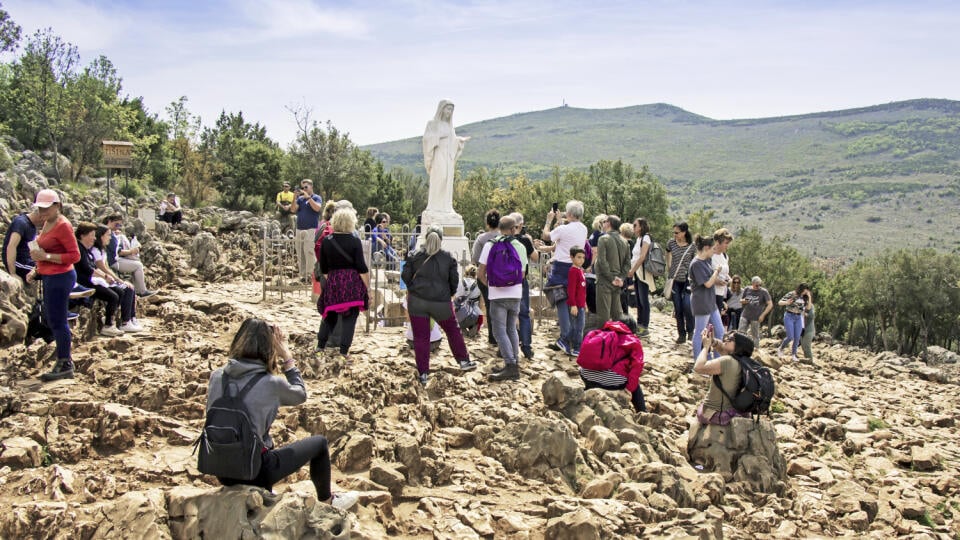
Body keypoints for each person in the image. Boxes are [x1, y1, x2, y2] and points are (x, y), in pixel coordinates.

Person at [205, 318, 359, 511]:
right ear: (269, 348)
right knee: (319, 443)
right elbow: (300, 394)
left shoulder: (217, 376)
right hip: (254, 471)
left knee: (262, 440)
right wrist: (286, 355)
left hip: (220, 467)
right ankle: (328, 501)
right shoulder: (271, 383)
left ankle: (262, 494)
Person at [402, 225, 476, 385]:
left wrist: (414, 289)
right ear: (441, 240)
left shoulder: (414, 255)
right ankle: (463, 361)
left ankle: (423, 373)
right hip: (441, 303)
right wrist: (447, 294)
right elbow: (454, 282)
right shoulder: (448, 258)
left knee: (421, 337)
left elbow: (406, 276)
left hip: (418, 302)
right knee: (452, 330)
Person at [25, 190, 81, 381]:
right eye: (40, 208)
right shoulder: (48, 222)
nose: (42, 211)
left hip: (61, 277)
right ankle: (64, 360)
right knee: (53, 319)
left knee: (57, 320)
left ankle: (65, 362)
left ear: (57, 206)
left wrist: (46, 257)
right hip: (50, 276)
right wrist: (37, 269)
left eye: (46, 208)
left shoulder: (63, 225)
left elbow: (75, 256)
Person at [315, 208, 369, 362]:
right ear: (351, 222)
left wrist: (333, 280)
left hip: (333, 280)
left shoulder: (327, 241)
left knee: (329, 314)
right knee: (350, 318)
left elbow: (324, 267)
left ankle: (320, 347)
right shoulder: (354, 241)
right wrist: (367, 288)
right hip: (352, 283)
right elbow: (361, 267)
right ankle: (344, 352)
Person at [479, 215, 528, 381]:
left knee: (499, 331)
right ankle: (514, 361)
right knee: (511, 328)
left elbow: (480, 273)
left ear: (499, 228)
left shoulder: (490, 245)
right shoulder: (519, 246)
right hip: (515, 294)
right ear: (514, 229)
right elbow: (522, 274)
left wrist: (491, 286)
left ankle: (511, 366)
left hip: (497, 294)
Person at [537, 200, 588, 355]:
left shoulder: (564, 229)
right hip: (576, 268)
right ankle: (574, 342)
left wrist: (549, 220)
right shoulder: (584, 229)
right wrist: (561, 221)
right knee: (574, 302)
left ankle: (564, 338)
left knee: (561, 302)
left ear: (570, 214)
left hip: (561, 268)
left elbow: (546, 236)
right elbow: (566, 239)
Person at [74, 222, 141, 336]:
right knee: (113, 296)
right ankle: (109, 324)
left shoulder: (86, 249)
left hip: (93, 279)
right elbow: (88, 269)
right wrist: (105, 276)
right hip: (86, 282)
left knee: (120, 291)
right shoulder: (81, 250)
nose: (94, 238)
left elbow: (93, 267)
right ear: (82, 235)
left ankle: (114, 320)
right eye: (91, 235)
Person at [693, 328, 754, 425]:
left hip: (717, 414)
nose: (726, 339)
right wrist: (712, 341)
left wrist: (706, 347)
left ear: (738, 345)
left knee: (700, 412)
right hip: (738, 411)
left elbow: (698, 367)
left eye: (730, 339)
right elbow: (722, 348)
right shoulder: (745, 361)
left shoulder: (727, 361)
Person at [423, 100, 470, 213]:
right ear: (442, 109)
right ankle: (434, 207)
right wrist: (439, 136)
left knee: (448, 180)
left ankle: (446, 207)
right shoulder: (432, 124)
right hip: (438, 155)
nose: (449, 112)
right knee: (440, 178)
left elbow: (452, 141)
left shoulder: (450, 127)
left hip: (448, 156)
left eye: (451, 110)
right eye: (448, 109)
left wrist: (459, 141)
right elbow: (426, 139)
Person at [102, 215, 156, 297]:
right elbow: (119, 252)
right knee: (138, 265)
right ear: (109, 221)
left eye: (120, 225)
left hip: (113, 259)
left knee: (136, 262)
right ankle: (142, 291)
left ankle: (139, 289)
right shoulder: (107, 233)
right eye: (117, 225)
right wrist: (132, 251)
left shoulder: (108, 232)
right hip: (113, 262)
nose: (118, 227)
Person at [689, 235, 725, 361]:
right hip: (701, 302)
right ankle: (698, 361)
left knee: (720, 331)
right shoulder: (696, 264)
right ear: (706, 248)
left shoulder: (707, 261)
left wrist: (719, 280)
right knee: (700, 332)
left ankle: (717, 359)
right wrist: (717, 272)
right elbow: (707, 283)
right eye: (713, 249)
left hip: (710, 302)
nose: (714, 251)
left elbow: (710, 280)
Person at [508, 212, 538, 359]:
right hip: (521, 279)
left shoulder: (503, 239)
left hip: (505, 281)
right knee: (524, 313)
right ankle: (526, 346)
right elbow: (535, 257)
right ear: (520, 225)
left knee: (507, 314)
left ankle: (507, 346)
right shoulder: (524, 240)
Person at [471, 209, 501, 346]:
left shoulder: (482, 239)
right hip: (503, 277)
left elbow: (475, 259)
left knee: (490, 306)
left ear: (487, 223)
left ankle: (492, 336)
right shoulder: (504, 237)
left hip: (486, 276)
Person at [594, 215, 631, 324]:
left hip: (605, 280)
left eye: (604, 221)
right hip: (618, 281)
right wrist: (621, 278)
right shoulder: (625, 241)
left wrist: (611, 278)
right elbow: (627, 263)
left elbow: (602, 261)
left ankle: (603, 339)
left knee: (603, 315)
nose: (603, 224)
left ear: (608, 223)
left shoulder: (603, 239)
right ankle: (619, 338)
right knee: (617, 314)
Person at [665, 221, 696, 344]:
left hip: (687, 281)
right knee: (678, 308)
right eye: (674, 232)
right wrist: (669, 266)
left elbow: (694, 262)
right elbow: (667, 253)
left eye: (677, 232)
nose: (675, 235)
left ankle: (690, 331)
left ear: (684, 233)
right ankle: (681, 334)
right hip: (675, 280)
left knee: (687, 306)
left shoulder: (692, 246)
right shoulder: (671, 243)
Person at [290, 179, 323, 283]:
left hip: (311, 229)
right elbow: (293, 210)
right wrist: (294, 197)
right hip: (300, 229)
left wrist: (308, 198)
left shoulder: (316, 197)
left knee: (309, 252)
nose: (303, 189)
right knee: (300, 252)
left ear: (311, 186)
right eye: (302, 187)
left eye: (306, 187)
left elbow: (317, 208)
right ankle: (303, 275)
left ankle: (311, 275)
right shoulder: (300, 199)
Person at [627, 218, 654, 337]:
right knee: (638, 299)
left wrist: (632, 270)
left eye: (635, 225)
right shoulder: (638, 239)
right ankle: (640, 323)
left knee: (643, 300)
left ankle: (645, 325)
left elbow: (642, 256)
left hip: (642, 273)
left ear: (641, 226)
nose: (633, 227)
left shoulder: (646, 238)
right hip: (637, 273)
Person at [3, 206, 44, 281]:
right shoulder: (21, 223)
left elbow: (33, 246)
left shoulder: (33, 226)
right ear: (40, 216)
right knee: (48, 270)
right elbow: (11, 246)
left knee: (51, 266)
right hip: (18, 262)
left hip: (28, 260)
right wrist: (13, 273)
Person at [778, 283, 810, 362]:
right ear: (802, 288)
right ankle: (780, 348)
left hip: (798, 317)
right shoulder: (792, 294)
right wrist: (787, 303)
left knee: (797, 337)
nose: (807, 291)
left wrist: (809, 297)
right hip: (789, 316)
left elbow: (808, 308)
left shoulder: (805, 298)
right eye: (806, 289)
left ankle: (793, 354)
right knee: (790, 336)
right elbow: (780, 302)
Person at [738, 276, 773, 347]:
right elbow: (741, 300)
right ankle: (739, 349)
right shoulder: (747, 289)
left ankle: (756, 350)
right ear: (753, 283)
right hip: (745, 314)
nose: (758, 286)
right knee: (740, 333)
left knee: (755, 335)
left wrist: (763, 315)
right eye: (757, 285)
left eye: (760, 285)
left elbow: (770, 304)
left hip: (756, 317)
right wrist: (744, 301)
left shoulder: (764, 292)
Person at [566, 246, 588, 355]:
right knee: (577, 327)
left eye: (583, 257)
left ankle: (565, 341)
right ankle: (576, 347)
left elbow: (582, 290)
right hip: (575, 305)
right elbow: (571, 289)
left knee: (580, 326)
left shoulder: (581, 270)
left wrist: (585, 303)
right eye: (579, 257)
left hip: (581, 304)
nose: (581, 260)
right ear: (572, 257)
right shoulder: (573, 271)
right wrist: (573, 304)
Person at [711, 228, 733, 324]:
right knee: (710, 321)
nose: (727, 245)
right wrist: (716, 281)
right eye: (725, 242)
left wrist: (729, 279)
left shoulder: (725, 256)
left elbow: (725, 272)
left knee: (716, 321)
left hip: (720, 293)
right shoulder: (709, 255)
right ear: (717, 242)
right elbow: (704, 274)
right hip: (710, 292)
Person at [800, 289, 816, 363]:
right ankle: (807, 361)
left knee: (807, 346)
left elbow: (811, 315)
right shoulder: (801, 305)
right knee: (803, 346)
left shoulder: (811, 306)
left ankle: (810, 361)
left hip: (809, 330)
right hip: (802, 329)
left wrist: (805, 314)